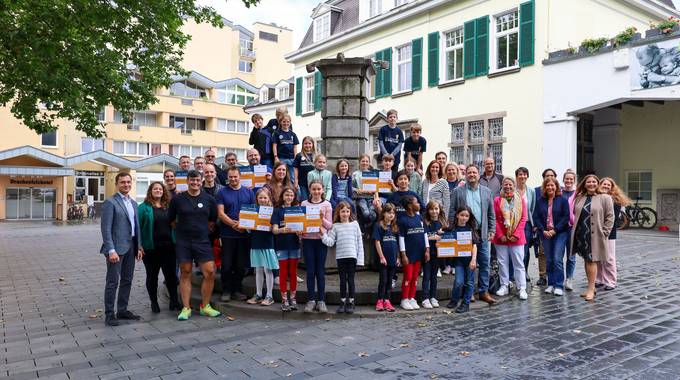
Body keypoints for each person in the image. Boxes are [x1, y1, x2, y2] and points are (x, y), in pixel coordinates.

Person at [168, 170, 222, 320]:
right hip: (183, 241)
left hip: (202, 241)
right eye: (192, 180)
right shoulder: (178, 199)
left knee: (210, 272)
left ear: (202, 181)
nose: (195, 183)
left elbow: (212, 220)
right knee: (185, 272)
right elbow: (171, 219)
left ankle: (205, 306)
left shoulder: (209, 199)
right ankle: (186, 308)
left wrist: (201, 230)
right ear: (187, 181)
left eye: (198, 180)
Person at [448, 165, 496, 304]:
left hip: (482, 233)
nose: (472, 175)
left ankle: (483, 291)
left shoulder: (487, 192)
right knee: (466, 262)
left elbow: (491, 214)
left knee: (485, 262)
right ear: (466, 175)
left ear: (478, 175)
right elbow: (452, 212)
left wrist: (492, 230)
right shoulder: (458, 191)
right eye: (469, 173)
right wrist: (452, 231)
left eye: (474, 172)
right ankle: (468, 292)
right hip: (464, 234)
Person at [100, 172, 144, 326]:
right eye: (123, 182)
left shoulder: (133, 203)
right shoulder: (110, 203)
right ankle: (109, 314)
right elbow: (106, 229)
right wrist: (110, 250)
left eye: (128, 182)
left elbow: (136, 227)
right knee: (112, 282)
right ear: (117, 184)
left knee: (127, 280)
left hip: (131, 247)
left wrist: (139, 246)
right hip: (116, 249)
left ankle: (122, 310)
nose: (126, 185)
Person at [138, 182, 180, 312]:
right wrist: (139, 246)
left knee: (171, 276)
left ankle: (174, 301)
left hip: (169, 247)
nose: (158, 191)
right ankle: (154, 302)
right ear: (150, 191)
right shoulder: (143, 207)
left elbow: (177, 222)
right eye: (155, 189)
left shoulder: (169, 206)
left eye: (160, 189)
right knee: (152, 276)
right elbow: (138, 228)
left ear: (164, 191)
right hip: (151, 249)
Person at [572, 174, 615, 302]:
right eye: (588, 182)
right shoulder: (580, 197)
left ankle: (591, 289)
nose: (591, 184)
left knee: (591, 260)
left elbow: (610, 217)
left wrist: (605, 233)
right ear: (584, 184)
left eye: (594, 182)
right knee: (586, 260)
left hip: (595, 235)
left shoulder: (605, 198)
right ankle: (592, 287)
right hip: (582, 233)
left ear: (598, 184)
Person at [216, 166, 255, 302]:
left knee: (240, 266)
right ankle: (226, 291)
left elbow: (253, 213)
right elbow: (220, 213)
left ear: (240, 177)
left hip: (244, 234)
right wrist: (235, 225)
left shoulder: (249, 193)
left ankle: (237, 290)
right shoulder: (222, 192)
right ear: (227, 178)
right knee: (226, 265)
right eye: (230, 177)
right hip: (227, 234)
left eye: (235, 176)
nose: (233, 179)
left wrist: (244, 226)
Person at [321, 201, 364, 314]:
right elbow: (330, 242)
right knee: (342, 281)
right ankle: (342, 301)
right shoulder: (335, 226)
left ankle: (351, 301)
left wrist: (360, 259)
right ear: (338, 213)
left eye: (347, 211)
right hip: (341, 257)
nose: (345, 214)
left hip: (352, 257)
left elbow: (359, 242)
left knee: (350, 280)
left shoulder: (355, 224)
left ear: (350, 212)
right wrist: (323, 235)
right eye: (343, 211)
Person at [533, 177, 570, 296]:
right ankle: (551, 284)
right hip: (545, 233)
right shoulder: (540, 201)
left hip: (560, 233)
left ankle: (559, 285)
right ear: (545, 187)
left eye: (552, 185)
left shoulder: (563, 200)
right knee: (548, 259)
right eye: (547, 185)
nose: (550, 187)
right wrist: (543, 230)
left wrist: (555, 230)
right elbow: (536, 217)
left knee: (557, 259)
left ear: (556, 187)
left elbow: (566, 217)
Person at [301, 180, 334, 313]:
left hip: (321, 241)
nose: (316, 192)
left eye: (318, 189)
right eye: (313, 189)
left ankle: (321, 300)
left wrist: (321, 219)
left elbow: (330, 225)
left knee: (320, 271)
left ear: (322, 190)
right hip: (308, 240)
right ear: (309, 190)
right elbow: (301, 222)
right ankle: (311, 300)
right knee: (310, 271)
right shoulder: (304, 203)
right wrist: (300, 230)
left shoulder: (327, 204)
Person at [492, 177, 528, 300]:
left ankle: (521, 287)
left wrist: (516, 234)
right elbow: (494, 218)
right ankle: (504, 285)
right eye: (505, 184)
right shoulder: (497, 200)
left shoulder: (520, 200)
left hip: (516, 238)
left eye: (510, 184)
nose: (508, 187)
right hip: (501, 238)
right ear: (502, 186)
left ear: (514, 186)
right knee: (502, 263)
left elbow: (523, 219)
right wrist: (500, 234)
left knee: (518, 263)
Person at [246, 188, 279, 306]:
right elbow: (249, 229)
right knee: (258, 269)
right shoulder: (252, 211)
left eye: (265, 197)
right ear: (257, 199)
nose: (263, 200)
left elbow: (275, 226)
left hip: (267, 243)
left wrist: (273, 227)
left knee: (268, 269)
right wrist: (247, 226)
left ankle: (269, 295)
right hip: (255, 242)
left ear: (269, 198)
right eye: (260, 197)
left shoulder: (273, 211)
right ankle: (259, 294)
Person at [272, 187, 301, 311]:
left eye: (291, 195)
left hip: (294, 245)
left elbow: (302, 229)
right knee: (283, 273)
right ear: (282, 196)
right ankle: (284, 300)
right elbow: (274, 230)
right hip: (282, 246)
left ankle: (293, 299)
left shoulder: (298, 210)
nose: (289, 197)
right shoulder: (277, 211)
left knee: (293, 273)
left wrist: (301, 232)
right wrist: (280, 230)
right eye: (287, 195)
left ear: (294, 197)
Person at [597, 177, 630, 291]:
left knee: (609, 258)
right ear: (599, 185)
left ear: (612, 188)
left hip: (609, 232)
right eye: (604, 184)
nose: (606, 186)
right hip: (597, 232)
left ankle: (610, 281)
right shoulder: (597, 197)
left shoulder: (615, 200)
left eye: (608, 185)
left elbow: (613, 219)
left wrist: (604, 231)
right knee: (598, 257)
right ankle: (600, 279)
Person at [398, 196, 429, 310]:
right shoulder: (403, 220)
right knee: (408, 276)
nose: (419, 204)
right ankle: (404, 298)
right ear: (410, 206)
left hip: (419, 253)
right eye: (417, 203)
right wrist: (403, 254)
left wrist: (427, 249)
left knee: (415, 277)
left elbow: (425, 234)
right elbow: (401, 238)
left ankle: (412, 297)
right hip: (409, 254)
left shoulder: (419, 217)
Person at [446, 206, 478, 313]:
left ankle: (466, 303)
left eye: (467, 216)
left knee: (469, 282)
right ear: (457, 215)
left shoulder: (470, 229)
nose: (464, 218)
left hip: (470, 260)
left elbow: (474, 246)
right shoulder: (452, 229)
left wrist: (473, 260)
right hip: (458, 261)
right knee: (459, 282)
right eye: (462, 215)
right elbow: (447, 242)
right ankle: (454, 300)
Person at [373, 203, 399, 312]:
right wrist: (381, 256)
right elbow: (377, 242)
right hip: (384, 259)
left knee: (390, 280)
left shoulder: (395, 227)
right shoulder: (379, 226)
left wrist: (398, 257)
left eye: (393, 213)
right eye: (389, 212)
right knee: (383, 280)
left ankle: (387, 300)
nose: (391, 215)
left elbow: (397, 243)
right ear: (383, 213)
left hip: (393, 259)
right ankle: (380, 300)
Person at [533, 168, 557, 286]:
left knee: (555, 253)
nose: (549, 177)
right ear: (543, 177)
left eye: (552, 175)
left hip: (557, 228)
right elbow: (534, 209)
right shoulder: (537, 191)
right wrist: (539, 227)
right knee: (542, 252)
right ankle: (543, 275)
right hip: (543, 228)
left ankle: (554, 275)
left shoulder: (558, 191)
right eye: (547, 175)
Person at [421, 201, 446, 309]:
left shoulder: (442, 223)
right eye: (431, 209)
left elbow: (447, 238)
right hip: (427, 252)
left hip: (437, 253)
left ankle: (433, 296)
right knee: (426, 275)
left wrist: (442, 236)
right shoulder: (425, 222)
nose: (434, 211)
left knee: (434, 276)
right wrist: (432, 237)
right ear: (428, 210)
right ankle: (425, 298)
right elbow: (421, 236)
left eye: (436, 209)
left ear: (439, 210)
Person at [515, 167, 536, 283]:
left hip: (526, 224)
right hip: (514, 224)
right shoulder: (512, 190)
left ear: (527, 176)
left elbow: (532, 207)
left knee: (525, 249)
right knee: (514, 249)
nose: (522, 177)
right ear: (516, 176)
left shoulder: (531, 191)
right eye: (520, 174)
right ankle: (515, 272)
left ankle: (525, 271)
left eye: (524, 174)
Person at [352, 154, 378, 231]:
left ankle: (366, 227)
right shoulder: (355, 174)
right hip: (361, 198)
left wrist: (376, 198)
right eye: (363, 161)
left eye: (367, 161)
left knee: (373, 215)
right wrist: (357, 190)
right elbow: (351, 186)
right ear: (359, 162)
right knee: (366, 213)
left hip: (370, 198)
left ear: (369, 163)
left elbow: (376, 188)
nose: (365, 163)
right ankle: (363, 227)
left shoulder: (372, 174)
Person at [562, 169, 577, 290]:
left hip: (573, 228)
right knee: (558, 255)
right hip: (560, 228)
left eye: (571, 179)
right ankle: (559, 278)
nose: (568, 181)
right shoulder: (559, 192)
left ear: (574, 180)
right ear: (563, 180)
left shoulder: (578, 194)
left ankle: (569, 279)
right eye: (567, 178)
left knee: (571, 256)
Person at [272, 114, 299, 182]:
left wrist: (296, 158)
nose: (286, 123)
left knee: (293, 178)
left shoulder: (293, 134)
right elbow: (274, 146)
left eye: (288, 121)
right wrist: (275, 157)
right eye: (284, 121)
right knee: (281, 177)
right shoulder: (277, 133)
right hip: (281, 158)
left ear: (290, 122)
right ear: (280, 122)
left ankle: (294, 192)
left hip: (291, 159)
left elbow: (295, 147)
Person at [378, 109, 404, 177]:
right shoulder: (383, 129)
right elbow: (381, 143)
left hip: (395, 158)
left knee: (394, 177)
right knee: (383, 177)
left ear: (396, 118)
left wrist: (392, 155)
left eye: (394, 117)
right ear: (387, 118)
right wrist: (386, 154)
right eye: (390, 117)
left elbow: (400, 145)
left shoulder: (399, 131)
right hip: (384, 158)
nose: (392, 118)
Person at [293, 136, 316, 201]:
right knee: (304, 199)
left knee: (313, 199)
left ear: (312, 144)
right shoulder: (299, 155)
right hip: (302, 182)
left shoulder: (316, 155)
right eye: (305, 143)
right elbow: (295, 168)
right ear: (303, 144)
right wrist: (296, 180)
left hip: (313, 182)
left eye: (309, 143)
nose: (307, 145)